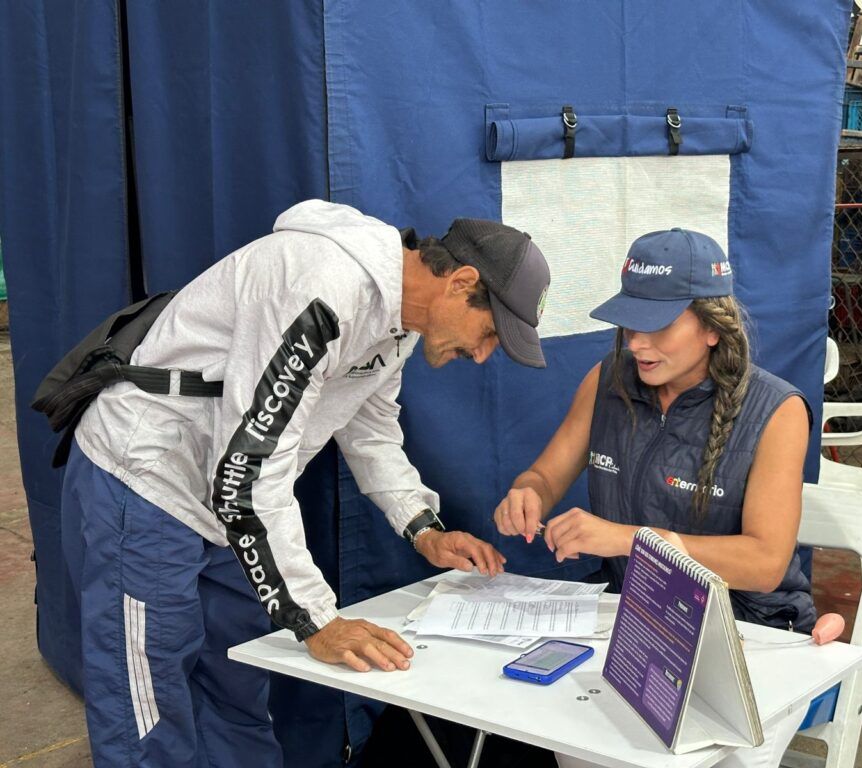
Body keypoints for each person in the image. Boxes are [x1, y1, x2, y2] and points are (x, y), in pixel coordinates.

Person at [61, 200, 550, 766]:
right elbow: (247, 471)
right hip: (147, 480)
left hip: (227, 505)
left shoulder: (400, 321)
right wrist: (317, 619)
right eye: (489, 332)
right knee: (147, 710)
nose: (483, 355)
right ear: (461, 282)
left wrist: (423, 529)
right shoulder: (322, 288)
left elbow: (370, 431)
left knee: (236, 688)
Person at [493, 228, 814, 768]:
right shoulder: (607, 380)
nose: (636, 343)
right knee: (568, 740)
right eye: (628, 323)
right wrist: (527, 493)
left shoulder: (776, 410)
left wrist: (628, 540)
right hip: (634, 623)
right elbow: (545, 476)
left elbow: (764, 563)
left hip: (750, 634)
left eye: (657, 325)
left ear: (713, 329)